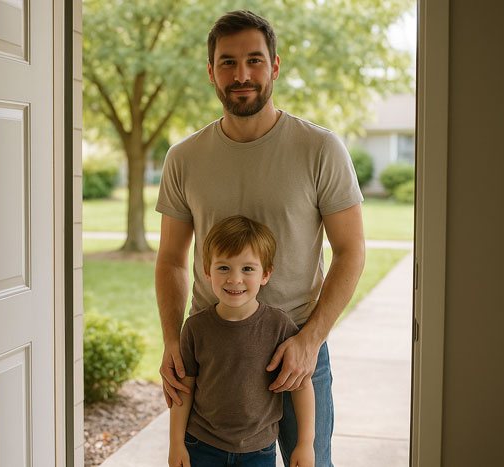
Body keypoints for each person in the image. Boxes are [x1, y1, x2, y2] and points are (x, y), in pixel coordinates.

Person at [155, 10, 365, 467]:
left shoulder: (320, 149)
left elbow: (351, 251)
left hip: (294, 349)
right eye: (227, 62)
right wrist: (174, 340)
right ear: (211, 71)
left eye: (254, 59)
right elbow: (171, 258)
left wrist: (310, 341)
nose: (242, 74)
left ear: (275, 65)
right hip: (212, 353)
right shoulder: (184, 158)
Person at [168, 215, 314, 467]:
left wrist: (305, 444)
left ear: (265, 274)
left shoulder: (279, 327)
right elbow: (184, 390)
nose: (234, 279)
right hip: (201, 445)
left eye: (247, 269)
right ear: (207, 271)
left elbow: (302, 386)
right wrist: (175, 444)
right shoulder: (195, 328)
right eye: (223, 267)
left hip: (258, 451)